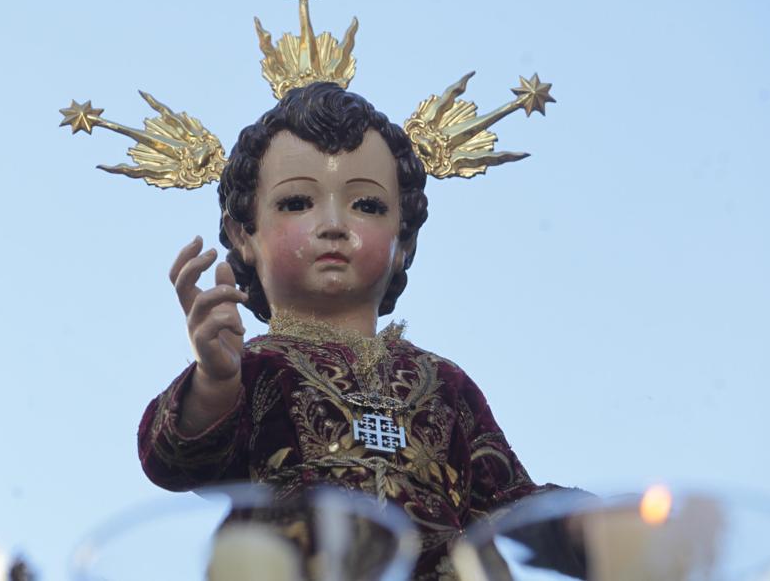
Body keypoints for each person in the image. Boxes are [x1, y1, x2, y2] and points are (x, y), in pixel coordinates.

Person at [137, 82, 574, 580]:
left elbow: (504, 500)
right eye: (297, 202)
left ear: (402, 240)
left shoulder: (443, 382)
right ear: (245, 236)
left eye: (366, 205)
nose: (333, 225)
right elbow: (172, 457)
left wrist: (589, 525)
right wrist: (214, 382)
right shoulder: (256, 370)